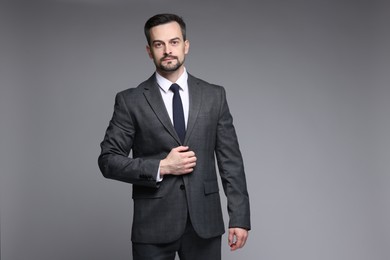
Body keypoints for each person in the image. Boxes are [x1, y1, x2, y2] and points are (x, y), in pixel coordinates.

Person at [98, 13, 250, 260]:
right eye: (159, 44)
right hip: (153, 225)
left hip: (205, 223)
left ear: (186, 45)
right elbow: (108, 160)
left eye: (174, 42)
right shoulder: (130, 101)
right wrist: (162, 166)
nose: (167, 50)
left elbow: (231, 161)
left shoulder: (214, 96)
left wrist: (240, 217)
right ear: (149, 51)